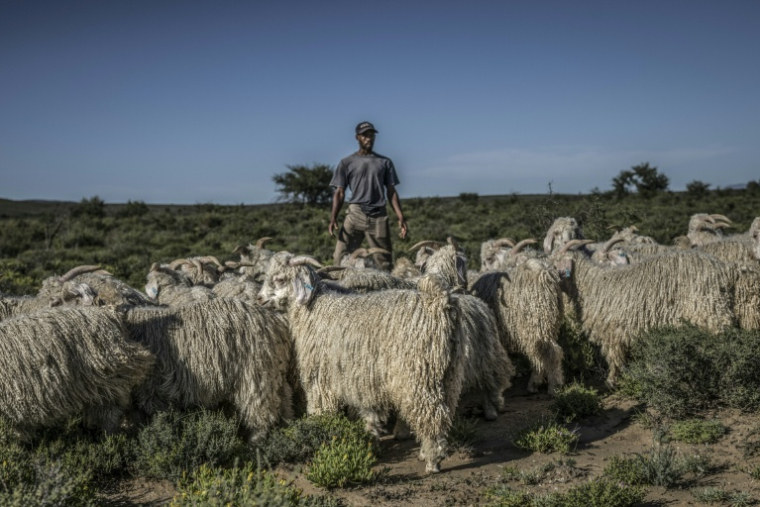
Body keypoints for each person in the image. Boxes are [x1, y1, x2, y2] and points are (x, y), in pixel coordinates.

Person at [328, 121, 408, 270]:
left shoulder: (384, 162)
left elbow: (391, 191)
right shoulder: (347, 163)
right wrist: (333, 218)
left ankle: (386, 292)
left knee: (384, 261)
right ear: (357, 137)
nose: (368, 138)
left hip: (378, 216)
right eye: (365, 135)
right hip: (355, 213)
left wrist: (400, 216)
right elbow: (339, 192)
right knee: (339, 257)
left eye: (371, 135)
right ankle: (337, 289)